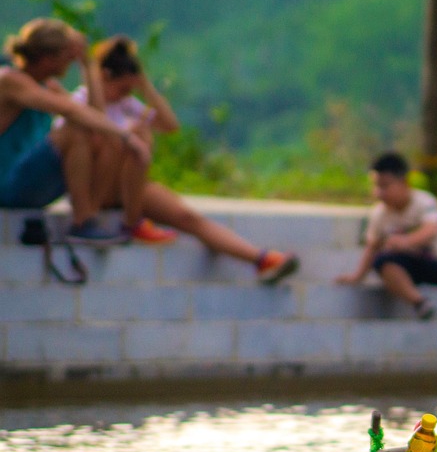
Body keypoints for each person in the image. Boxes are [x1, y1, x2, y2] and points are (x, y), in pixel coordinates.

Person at [77, 35, 298, 284]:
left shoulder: (127, 104)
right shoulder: (81, 100)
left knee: (187, 218)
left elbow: (170, 125)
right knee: (135, 135)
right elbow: (95, 133)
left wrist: (146, 87)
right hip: (101, 186)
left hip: (130, 186)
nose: (126, 94)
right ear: (105, 77)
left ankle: (262, 260)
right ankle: (131, 223)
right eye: (123, 88)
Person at [1, 18, 151, 244]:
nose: (69, 62)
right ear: (48, 59)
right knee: (77, 129)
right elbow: (72, 111)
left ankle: (91, 214)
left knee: (97, 134)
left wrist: (88, 65)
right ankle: (83, 221)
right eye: (67, 57)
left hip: (27, 183)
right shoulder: (10, 81)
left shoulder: (47, 85)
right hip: (7, 184)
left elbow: (95, 115)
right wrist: (128, 137)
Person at [337, 151, 437, 339]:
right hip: (405, 266)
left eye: (385, 186)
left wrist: (404, 241)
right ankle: (418, 302)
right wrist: (357, 276)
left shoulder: (424, 201)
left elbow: (431, 229)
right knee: (382, 262)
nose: (380, 193)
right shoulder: (379, 214)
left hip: (436, 259)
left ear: (403, 182)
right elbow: (372, 247)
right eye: (376, 186)